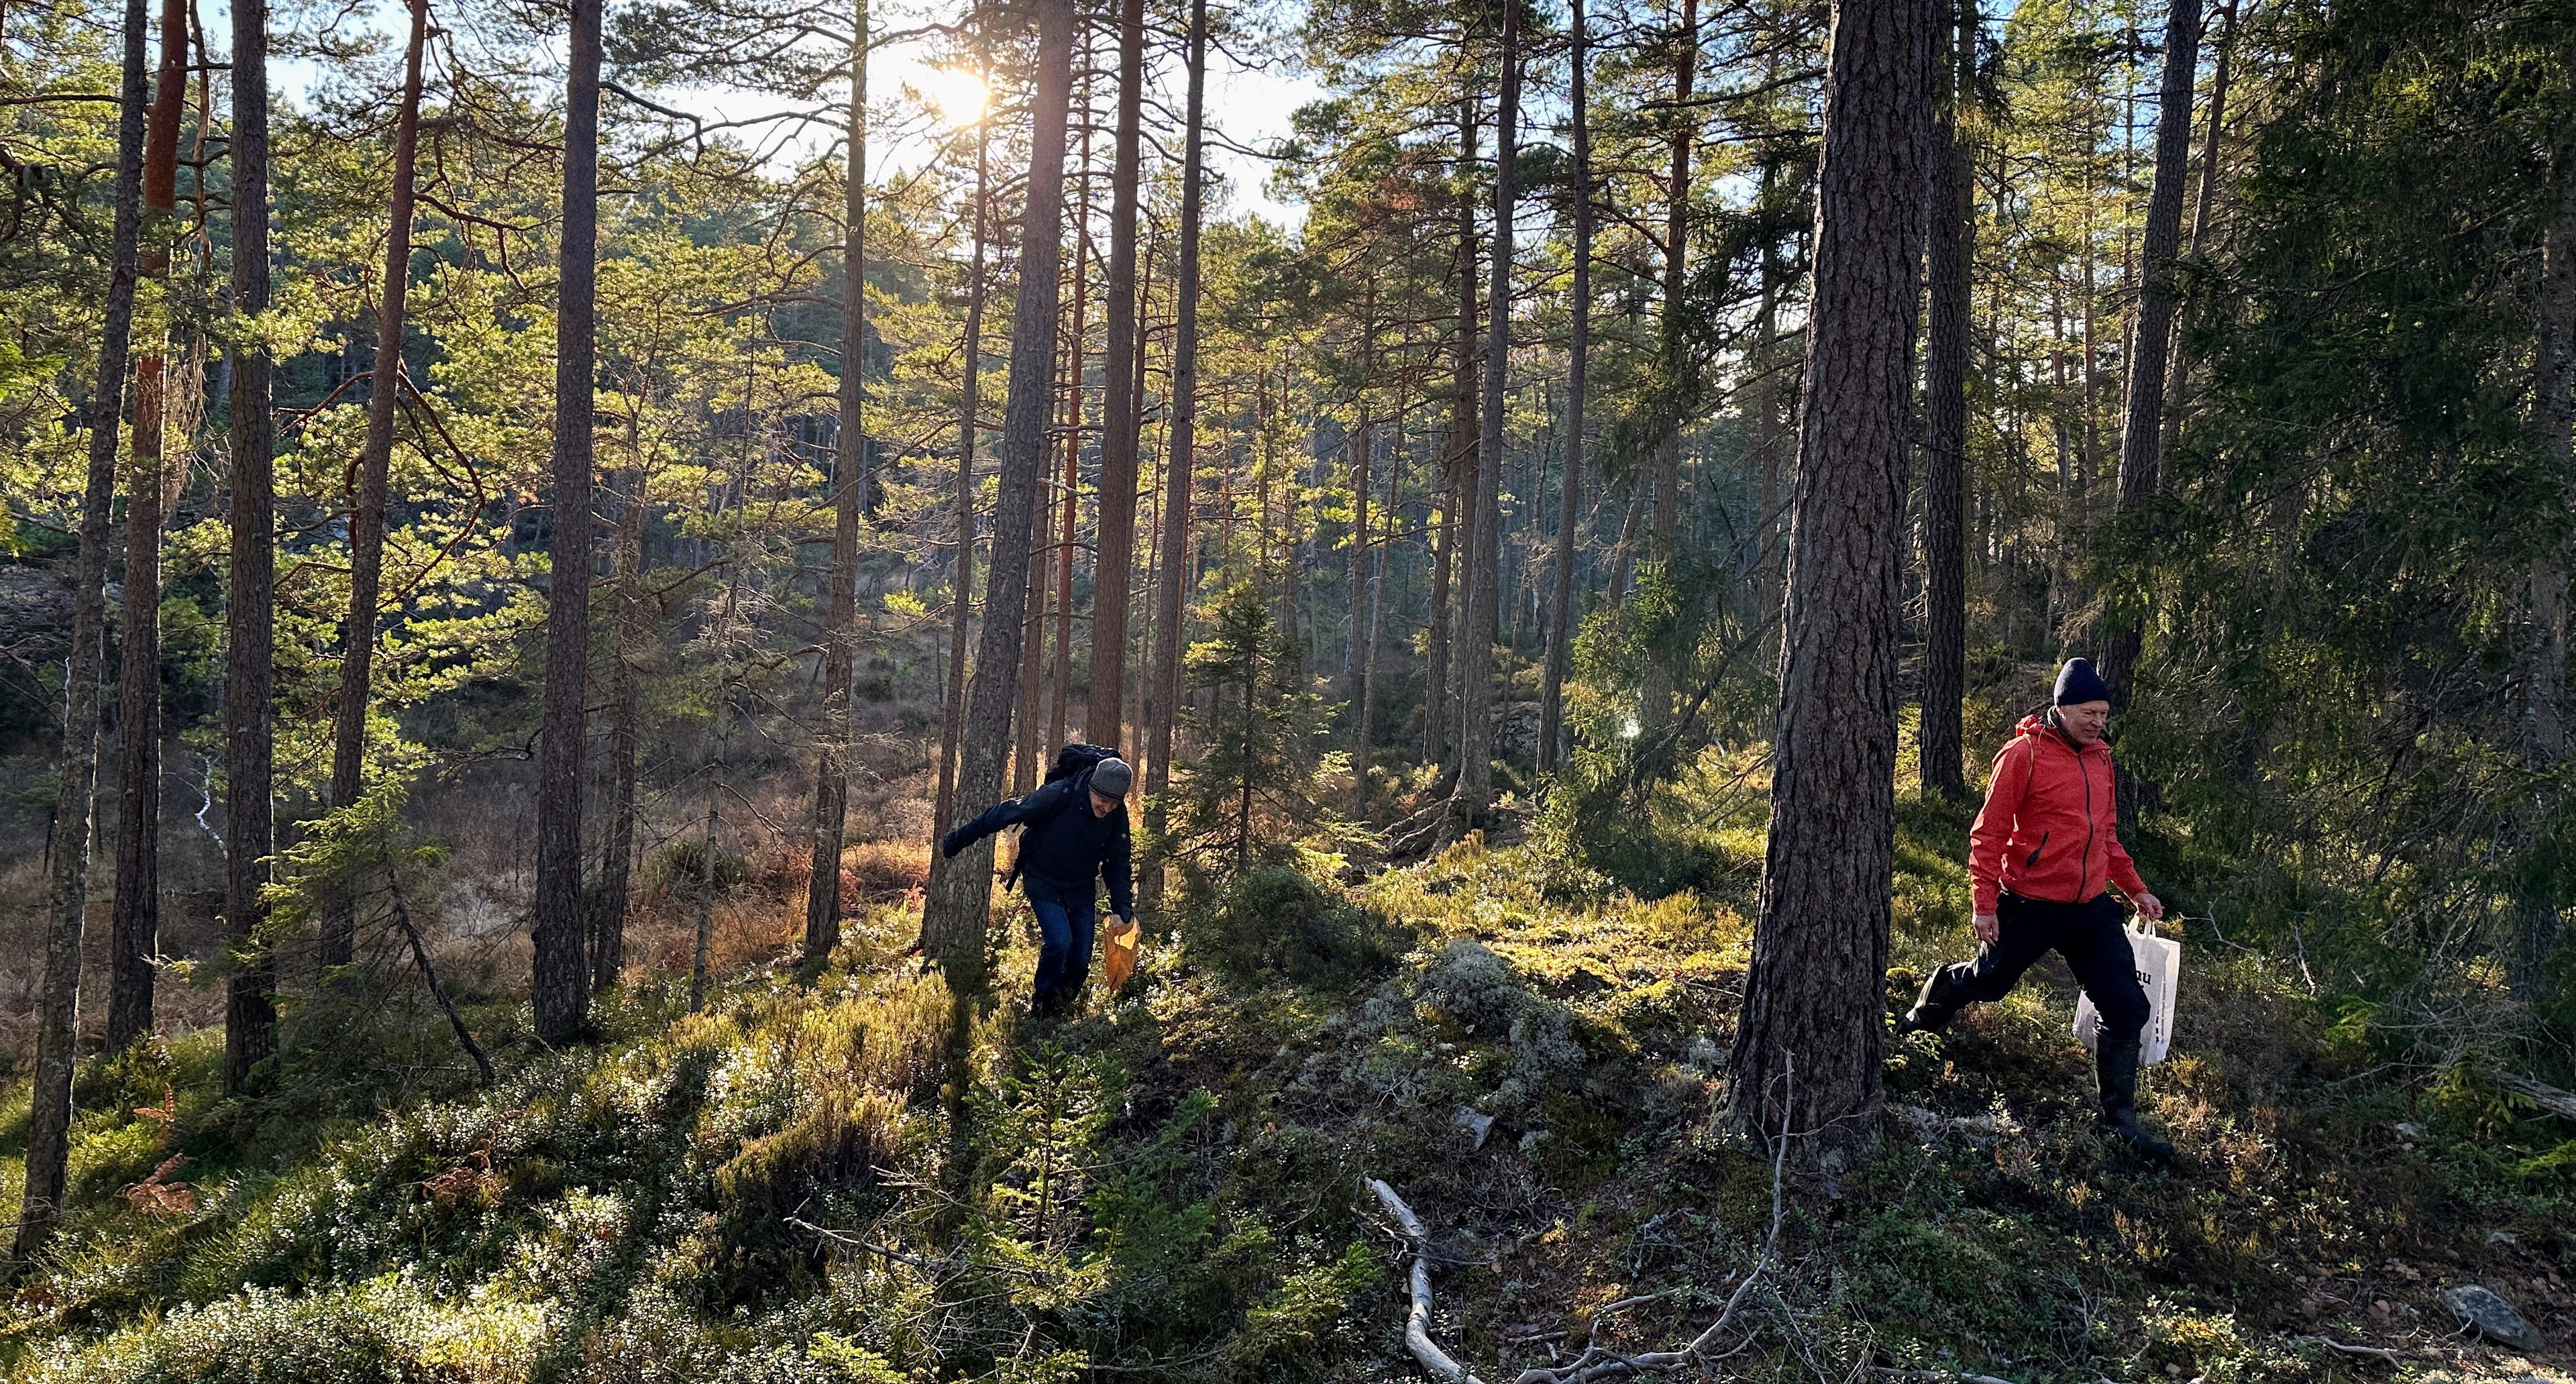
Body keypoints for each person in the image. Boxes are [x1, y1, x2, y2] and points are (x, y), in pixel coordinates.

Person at [1900, 657, 2176, 1161]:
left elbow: (2107, 837)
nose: (2098, 722)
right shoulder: (2022, 755)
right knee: (1988, 983)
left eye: (2103, 713)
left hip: (2091, 906)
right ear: (2062, 708)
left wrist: (2135, 888)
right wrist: (1984, 906)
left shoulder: (2101, 759)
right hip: (2028, 903)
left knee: (2127, 1007)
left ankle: (2120, 1120)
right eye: (2089, 712)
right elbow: (1987, 835)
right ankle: (1926, 1010)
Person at [941, 755, 1135, 1016]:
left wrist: (1122, 905)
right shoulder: (1058, 795)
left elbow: (1118, 861)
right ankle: (1042, 1003)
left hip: (1080, 886)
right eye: (1103, 800)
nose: (1107, 808)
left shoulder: (1116, 815)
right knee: (1059, 941)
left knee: (1080, 962)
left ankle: (1061, 1006)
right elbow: (1006, 812)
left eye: (1114, 803)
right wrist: (959, 838)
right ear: (1092, 788)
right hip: (1043, 878)